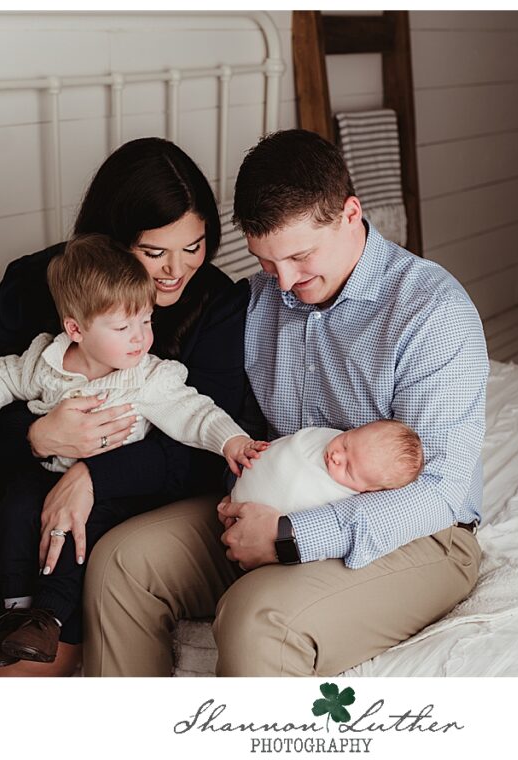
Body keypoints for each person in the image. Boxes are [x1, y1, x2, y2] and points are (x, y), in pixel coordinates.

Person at [83, 129, 489, 676]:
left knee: (256, 619)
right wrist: (241, 497)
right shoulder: (258, 299)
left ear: (350, 214)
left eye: (300, 256)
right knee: (120, 562)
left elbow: (439, 491)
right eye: (267, 262)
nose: (285, 282)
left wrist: (287, 537)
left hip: (417, 535)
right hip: (275, 500)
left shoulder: (432, 313)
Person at [0, 137, 262, 677]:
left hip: (129, 492)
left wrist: (91, 475)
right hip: (17, 475)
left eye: (194, 247)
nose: (176, 270)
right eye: (154, 252)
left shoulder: (218, 304)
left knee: (66, 560)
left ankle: (42, 628)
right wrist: (39, 437)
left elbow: (200, 444)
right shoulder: (35, 285)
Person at [230, 421, 423, 514]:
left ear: (369, 490)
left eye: (348, 468)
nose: (336, 456)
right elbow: (287, 447)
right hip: (241, 477)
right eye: (345, 443)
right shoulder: (327, 437)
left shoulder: (342, 500)